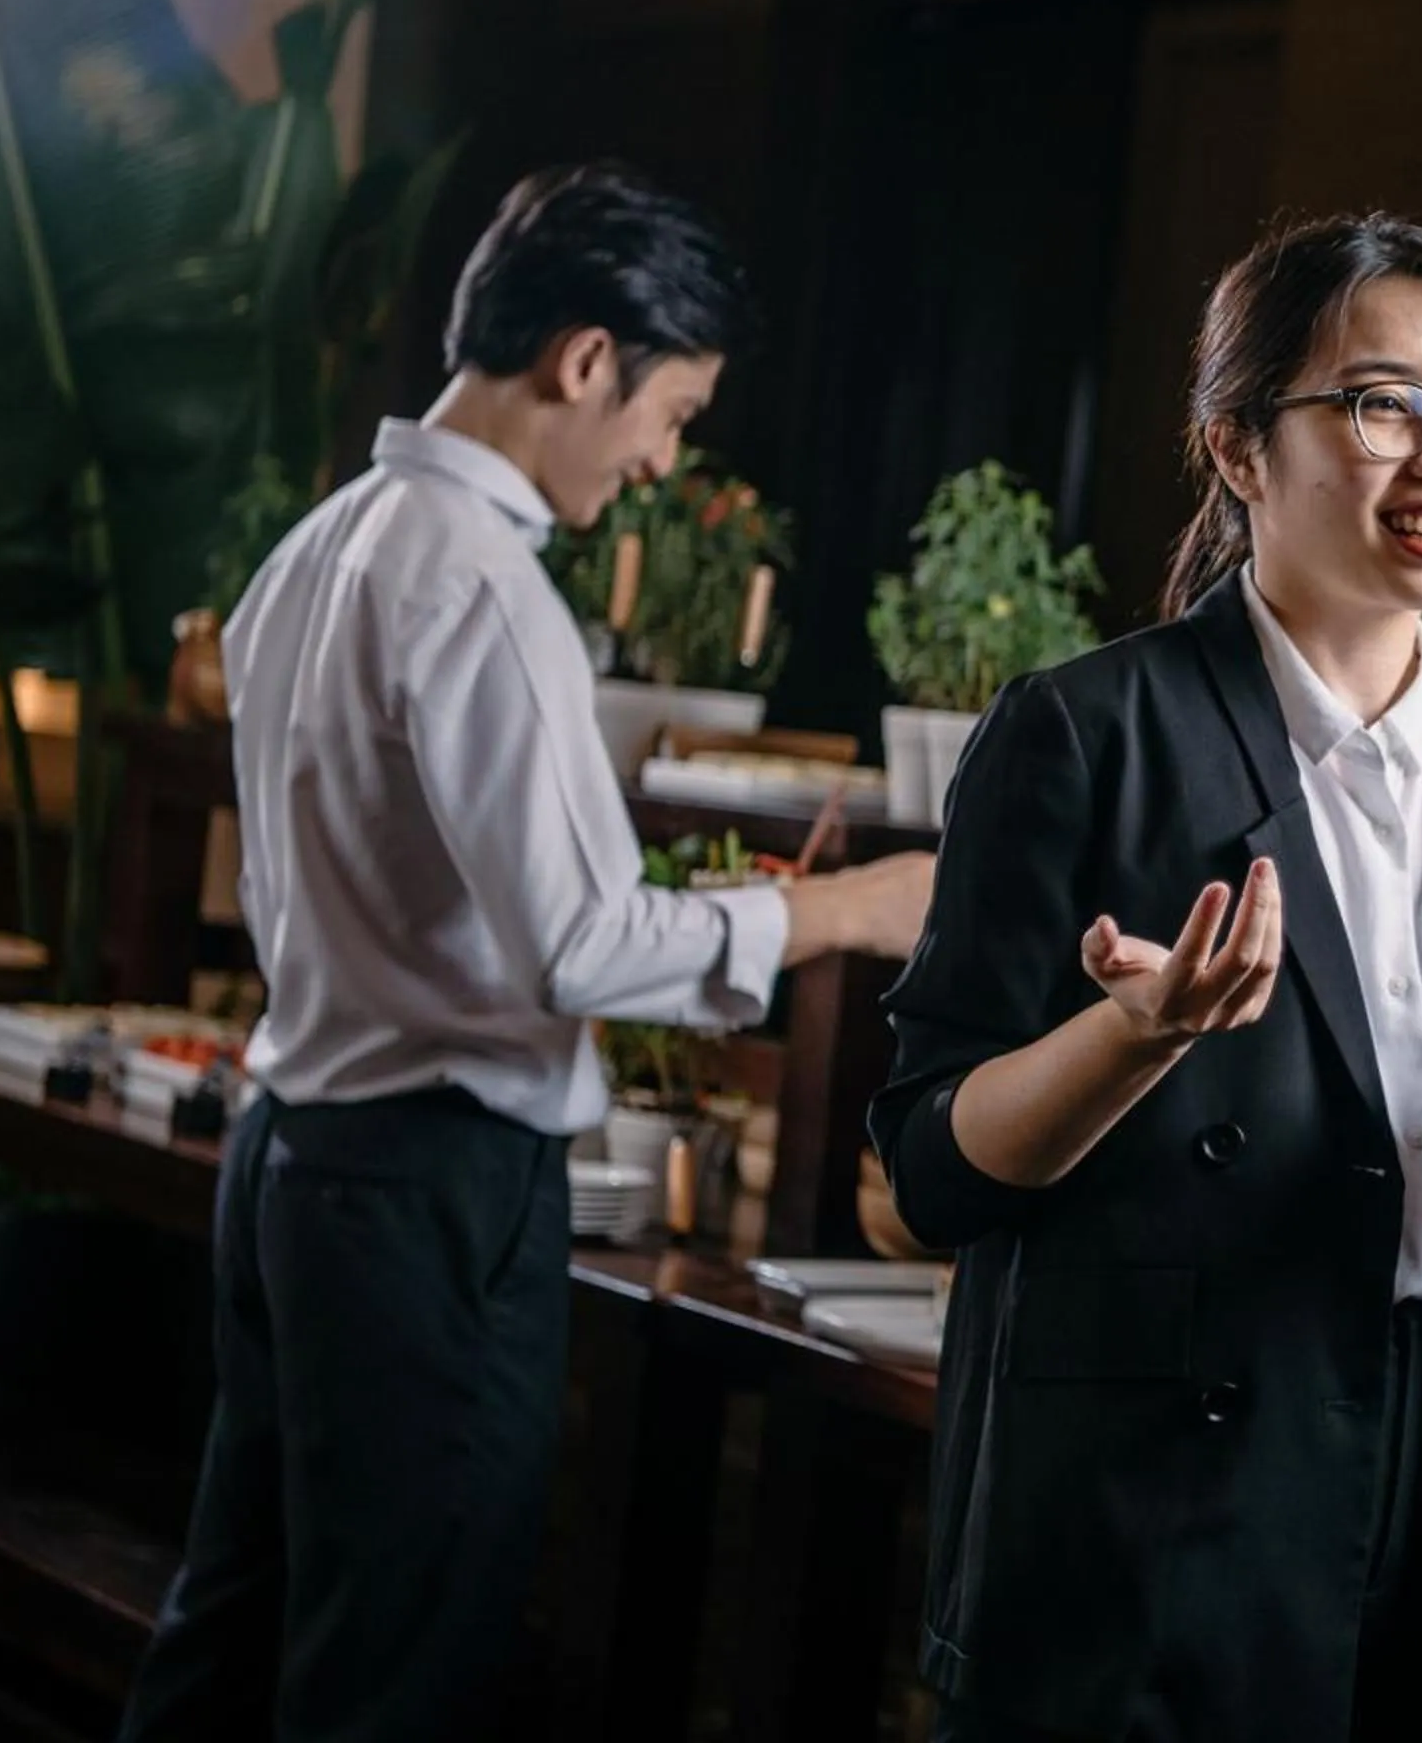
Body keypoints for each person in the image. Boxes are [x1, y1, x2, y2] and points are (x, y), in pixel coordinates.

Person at [118, 163, 937, 1742]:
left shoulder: (322, 546)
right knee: (397, 1677)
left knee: (231, 1634)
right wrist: (850, 910)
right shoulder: (483, 584)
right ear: (583, 361)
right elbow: (580, 944)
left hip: (294, 1158)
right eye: (672, 414)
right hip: (428, 1195)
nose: (660, 461)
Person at [871, 212, 1422, 1743]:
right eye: (1382, 404)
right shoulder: (1087, 736)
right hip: (1158, 1525)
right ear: (1239, 449)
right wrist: (1132, 1038)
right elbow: (932, 1171)